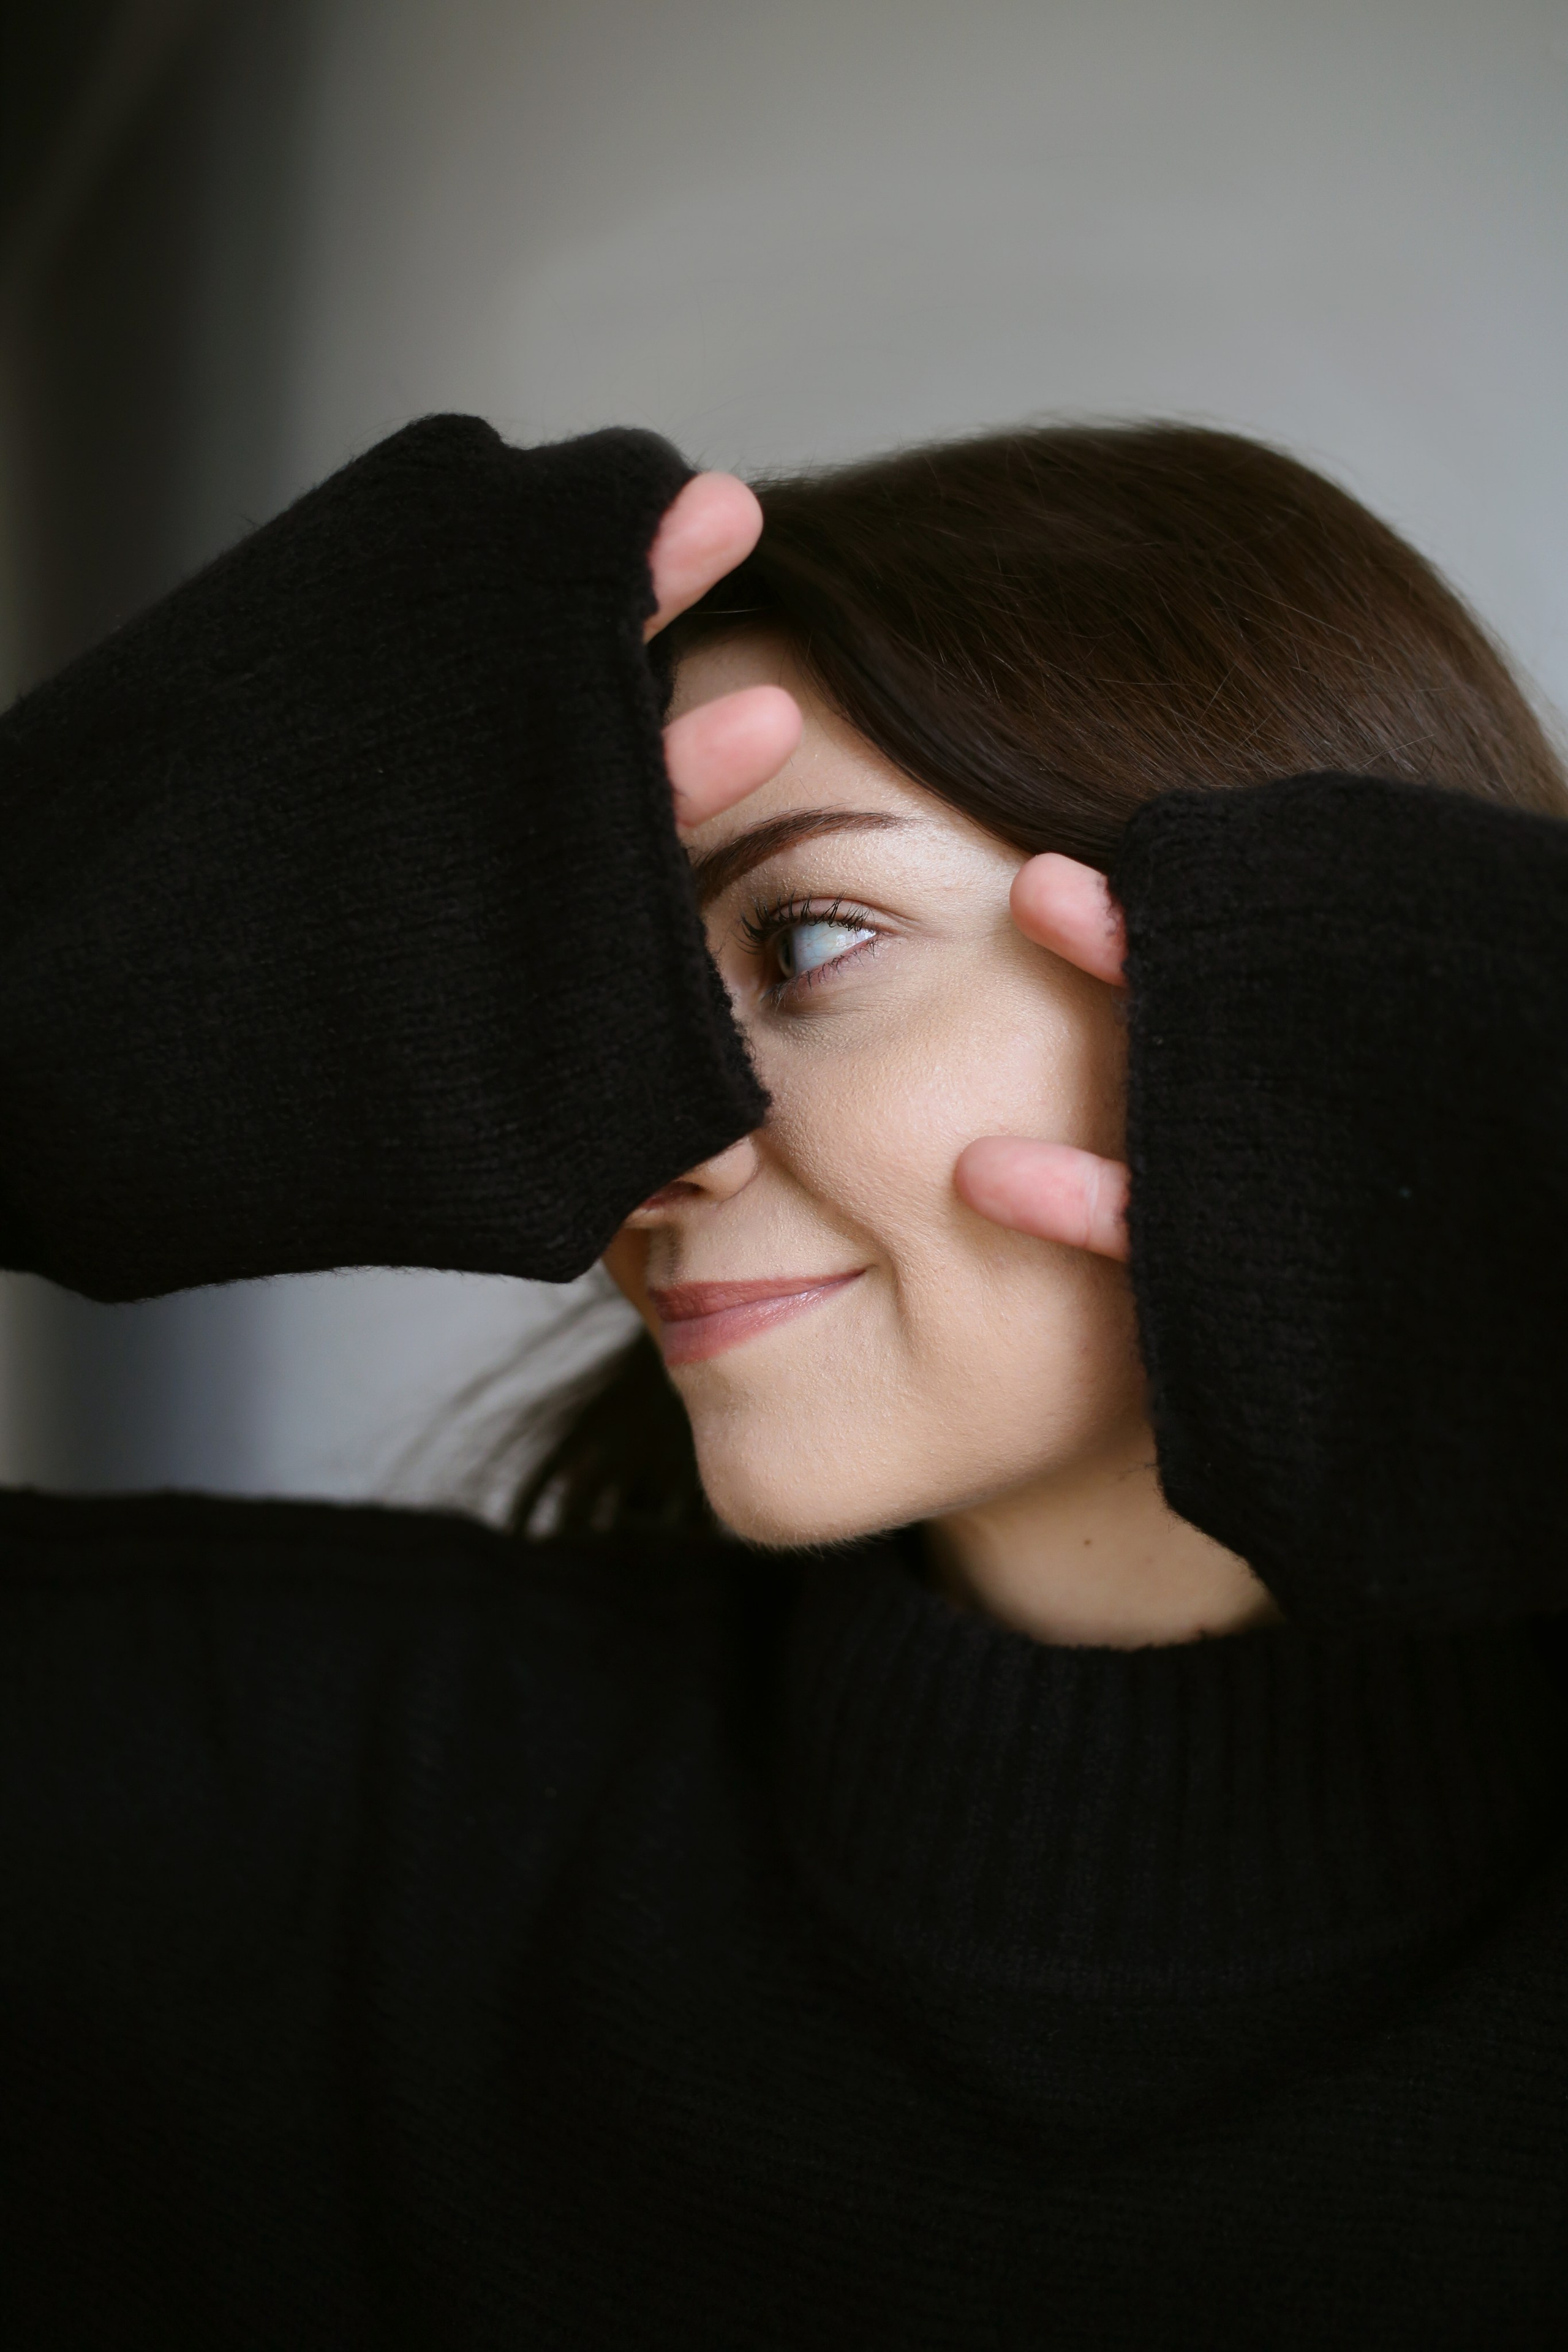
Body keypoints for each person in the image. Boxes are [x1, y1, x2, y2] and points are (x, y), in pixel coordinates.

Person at [0, 410, 1564, 2350]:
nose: (648, 1136)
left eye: (807, 938)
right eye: (595, 992)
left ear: (1311, 976)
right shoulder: (308, 1820)